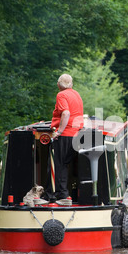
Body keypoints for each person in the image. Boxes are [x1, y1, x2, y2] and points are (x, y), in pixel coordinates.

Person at [49, 74, 84, 205]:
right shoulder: (77, 94)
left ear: (59, 85)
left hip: (66, 135)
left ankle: (62, 195)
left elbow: (66, 113)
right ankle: (67, 194)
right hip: (77, 134)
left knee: (59, 165)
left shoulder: (61, 95)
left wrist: (59, 131)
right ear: (71, 84)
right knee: (66, 164)